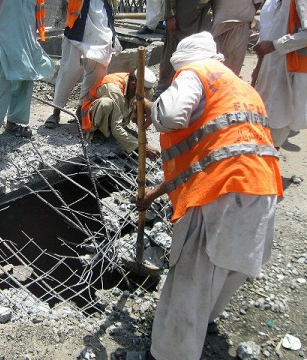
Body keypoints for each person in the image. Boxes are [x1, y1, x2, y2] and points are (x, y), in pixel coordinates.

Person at [137, 32, 283, 360]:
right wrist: (155, 193)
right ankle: (206, 322)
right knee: (231, 267)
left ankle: (169, 353)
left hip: (224, 193)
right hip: (261, 189)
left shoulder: (195, 72)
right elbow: (208, 156)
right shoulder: (240, 87)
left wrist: (152, 108)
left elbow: (172, 115)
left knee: (192, 277)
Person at [0, 0, 54, 145]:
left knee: (26, 79)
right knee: (0, 80)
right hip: (5, 34)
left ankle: (13, 122)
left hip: (27, 37)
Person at [43, 0, 119, 128]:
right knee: (69, 70)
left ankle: (81, 111)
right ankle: (56, 111)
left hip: (101, 26)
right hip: (77, 26)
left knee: (96, 72)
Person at [253, 0, 307, 149]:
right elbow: (269, 27)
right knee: (264, 114)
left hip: (288, 68)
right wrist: (259, 66)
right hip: (271, 63)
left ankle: (267, 165)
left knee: (278, 118)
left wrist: (275, 45)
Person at [81, 67, 160, 158]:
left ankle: (116, 131)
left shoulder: (141, 87)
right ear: (133, 85)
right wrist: (142, 147)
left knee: (137, 100)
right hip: (93, 117)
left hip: (118, 110)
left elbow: (145, 99)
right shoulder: (114, 89)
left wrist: (140, 114)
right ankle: (99, 132)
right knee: (106, 104)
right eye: (144, 91)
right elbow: (116, 127)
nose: (146, 93)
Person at [153, 0, 212, 99]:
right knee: (172, 52)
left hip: (203, 13)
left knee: (199, 52)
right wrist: (170, 15)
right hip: (181, 16)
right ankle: (163, 88)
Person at [211, 0, 263, 75]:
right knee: (213, 64)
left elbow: (257, 2)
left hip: (240, 23)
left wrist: (249, 18)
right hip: (216, 25)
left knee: (232, 67)